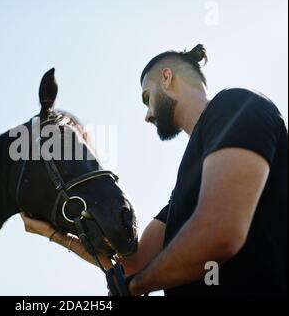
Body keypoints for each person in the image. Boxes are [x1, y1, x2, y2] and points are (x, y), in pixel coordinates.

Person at [20, 44, 288, 296]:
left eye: (147, 98)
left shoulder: (237, 106)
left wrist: (135, 287)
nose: (147, 115)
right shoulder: (187, 187)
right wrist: (53, 234)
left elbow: (219, 233)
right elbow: (132, 264)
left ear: (167, 78)